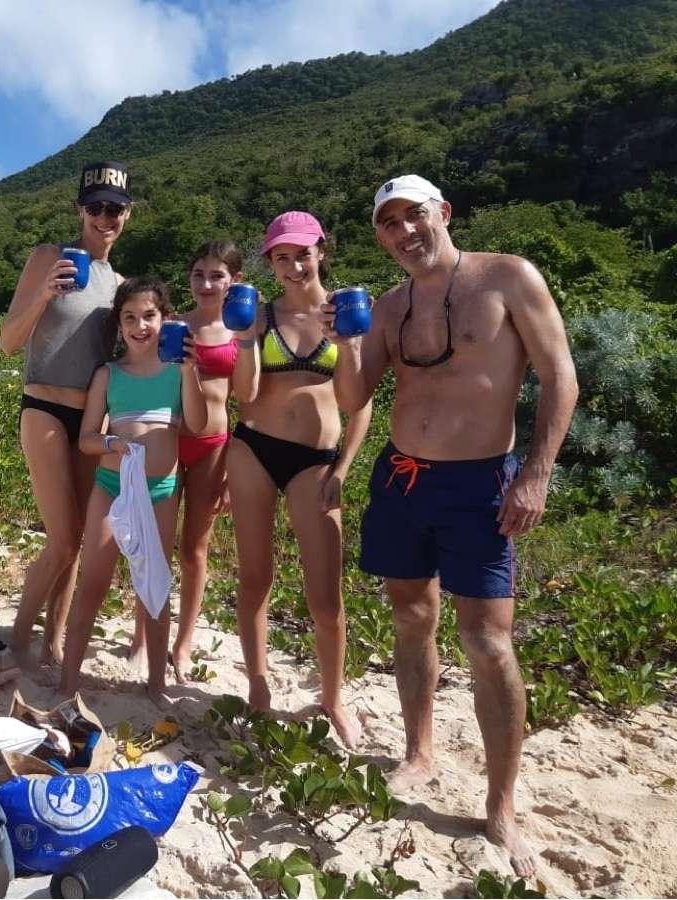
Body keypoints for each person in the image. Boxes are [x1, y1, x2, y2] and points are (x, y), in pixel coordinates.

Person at [326, 174, 578, 877]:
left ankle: (500, 806)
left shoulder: (507, 278)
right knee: (412, 616)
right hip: (406, 477)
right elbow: (355, 395)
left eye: (414, 216)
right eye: (388, 223)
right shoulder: (388, 305)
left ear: (444, 213)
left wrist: (536, 473)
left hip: (480, 481)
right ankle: (419, 752)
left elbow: (561, 376)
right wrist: (343, 342)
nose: (403, 231)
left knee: (487, 638)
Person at [229, 211, 372, 749]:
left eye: (302, 253)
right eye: (281, 257)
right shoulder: (259, 316)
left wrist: (343, 467)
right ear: (270, 261)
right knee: (254, 577)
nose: (293, 265)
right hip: (252, 449)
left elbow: (358, 403)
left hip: (317, 460)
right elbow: (244, 395)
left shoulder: (349, 311)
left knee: (325, 593)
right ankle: (259, 685)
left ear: (321, 250)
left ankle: (333, 698)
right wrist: (244, 339)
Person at [0, 161, 131, 668]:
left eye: (114, 209)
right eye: (96, 207)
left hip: (91, 423)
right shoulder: (48, 257)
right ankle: (17, 640)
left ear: (127, 215)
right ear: (81, 210)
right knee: (61, 538)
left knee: (75, 542)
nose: (105, 217)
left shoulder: (118, 282)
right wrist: (43, 295)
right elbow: (10, 342)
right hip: (45, 408)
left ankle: (53, 643)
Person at [58, 277, 208, 705]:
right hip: (111, 486)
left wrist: (191, 371)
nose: (140, 326)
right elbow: (88, 438)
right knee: (94, 582)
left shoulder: (177, 372)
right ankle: (68, 681)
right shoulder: (109, 374)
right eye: (130, 318)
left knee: (154, 585)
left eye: (149, 316)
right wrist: (112, 444)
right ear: (119, 324)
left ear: (166, 320)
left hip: (162, 490)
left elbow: (196, 425)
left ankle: (157, 685)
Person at [168, 240, 243, 683]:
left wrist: (235, 469)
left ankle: (184, 640)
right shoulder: (175, 325)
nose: (207, 283)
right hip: (170, 440)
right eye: (198, 274)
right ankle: (147, 632)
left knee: (193, 550)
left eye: (217, 275)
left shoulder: (242, 331)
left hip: (215, 444)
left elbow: (247, 403)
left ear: (234, 280)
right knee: (155, 545)